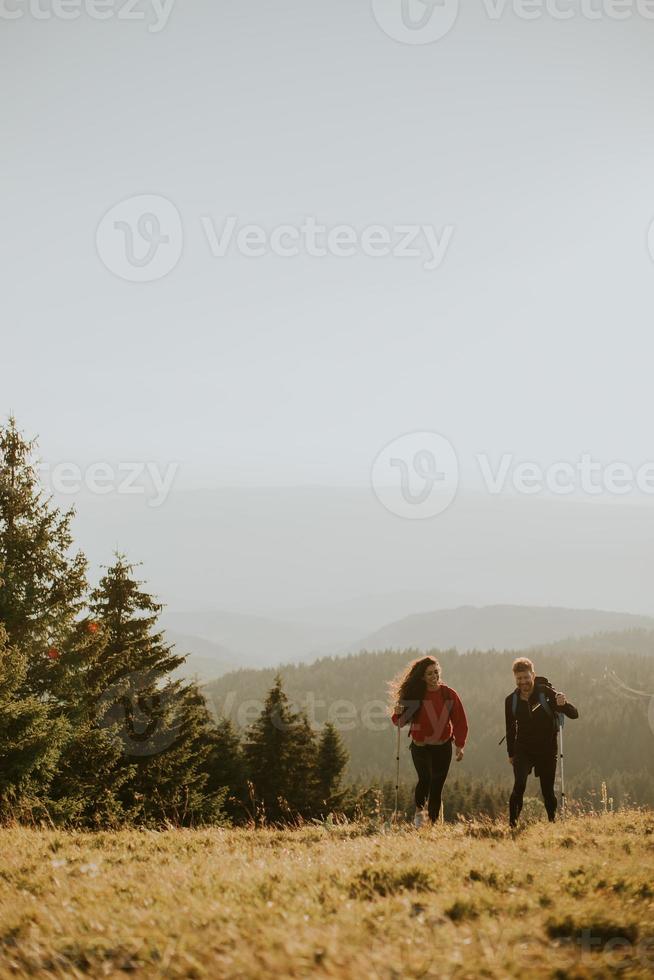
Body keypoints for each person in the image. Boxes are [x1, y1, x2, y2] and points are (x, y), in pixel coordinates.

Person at [390, 656, 468, 827]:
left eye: (436, 672)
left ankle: (431, 824)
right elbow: (399, 722)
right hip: (420, 747)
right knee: (425, 779)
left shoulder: (448, 694)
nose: (434, 676)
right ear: (422, 677)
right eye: (429, 674)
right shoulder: (415, 695)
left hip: (443, 746)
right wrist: (398, 712)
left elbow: (460, 720)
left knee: (437, 786)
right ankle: (419, 816)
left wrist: (459, 745)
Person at [505, 657, 579, 828]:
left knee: (547, 790)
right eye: (519, 678)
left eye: (526, 677)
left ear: (533, 675)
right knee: (519, 785)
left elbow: (574, 714)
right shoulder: (511, 700)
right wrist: (511, 753)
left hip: (547, 749)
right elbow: (510, 729)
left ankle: (552, 822)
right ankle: (512, 825)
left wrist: (564, 703)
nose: (523, 682)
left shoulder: (545, 694)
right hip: (523, 748)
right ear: (515, 678)